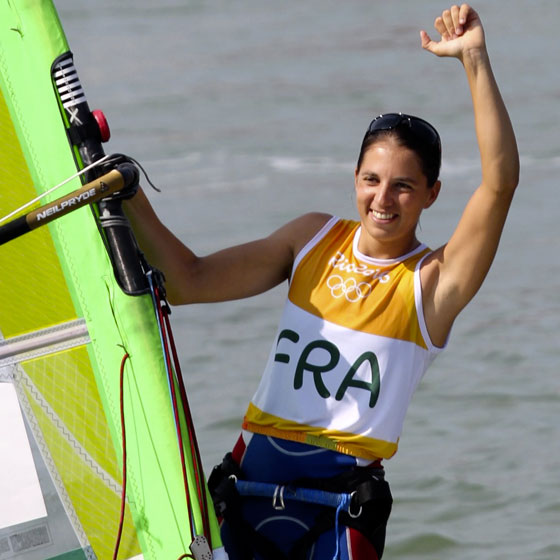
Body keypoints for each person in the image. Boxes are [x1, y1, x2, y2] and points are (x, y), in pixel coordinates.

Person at [124, 4, 519, 559]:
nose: (383, 200)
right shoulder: (311, 238)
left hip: (337, 518)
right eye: (371, 180)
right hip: (245, 492)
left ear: (432, 193)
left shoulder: (433, 283)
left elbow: (499, 185)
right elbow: (189, 282)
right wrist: (131, 196)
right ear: (354, 179)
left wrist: (474, 59)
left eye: (403, 186)